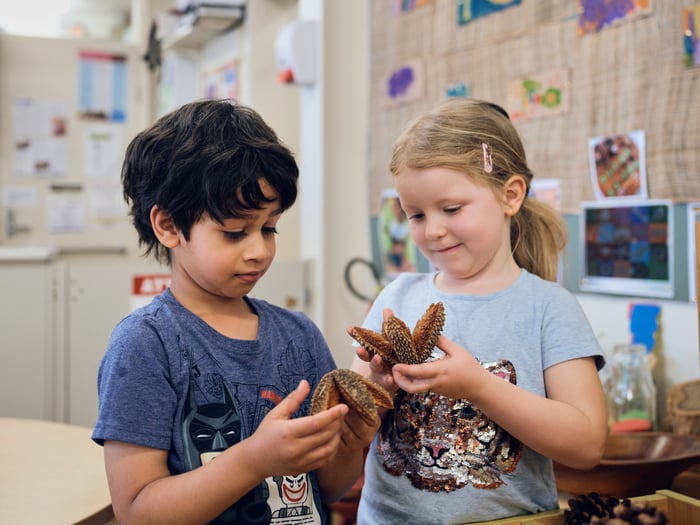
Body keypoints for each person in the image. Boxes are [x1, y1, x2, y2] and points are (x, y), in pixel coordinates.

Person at [92, 99, 379, 525]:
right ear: (168, 226)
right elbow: (136, 512)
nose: (259, 251)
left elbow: (329, 489)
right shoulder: (146, 344)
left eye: (269, 228)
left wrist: (351, 443)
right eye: (234, 232)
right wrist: (253, 461)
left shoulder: (299, 335)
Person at [351, 98, 608, 524]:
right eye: (415, 214)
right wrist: (378, 387)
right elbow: (354, 424)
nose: (432, 230)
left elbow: (586, 445)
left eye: (451, 209)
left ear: (510, 195)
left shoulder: (548, 309)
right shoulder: (395, 298)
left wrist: (480, 388)